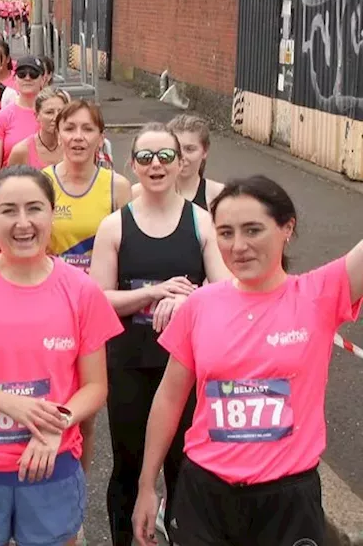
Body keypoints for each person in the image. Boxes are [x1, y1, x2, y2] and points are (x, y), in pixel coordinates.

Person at [132, 176, 363, 546]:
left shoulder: (318, 294)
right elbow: (169, 398)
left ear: (287, 228)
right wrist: (146, 485)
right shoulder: (200, 306)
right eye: (225, 233)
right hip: (205, 493)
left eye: (253, 230)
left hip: (287, 499)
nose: (238, 246)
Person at [0, 165, 123, 546]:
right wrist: (7, 403)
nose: (23, 222)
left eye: (34, 208)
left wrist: (56, 427)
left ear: (51, 213)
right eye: (8, 210)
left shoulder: (81, 291)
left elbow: (95, 387)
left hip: (52, 462)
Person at [88, 123, 231, 545]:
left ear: (181, 162)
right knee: (129, 466)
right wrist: (154, 292)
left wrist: (190, 300)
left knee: (184, 468)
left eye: (166, 156)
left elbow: (225, 289)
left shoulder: (202, 222)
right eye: (146, 157)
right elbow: (97, 300)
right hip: (129, 364)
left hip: (185, 367)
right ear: (132, 164)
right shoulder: (114, 227)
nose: (156, 165)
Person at [43, 100, 133, 271]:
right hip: (52, 285)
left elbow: (127, 249)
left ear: (100, 139)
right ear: (58, 137)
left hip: (98, 287)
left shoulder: (118, 186)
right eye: (69, 129)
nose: (78, 137)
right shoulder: (42, 182)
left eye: (87, 129)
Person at [165, 115, 225, 210]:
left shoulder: (219, 196)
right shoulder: (146, 193)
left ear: (205, 151)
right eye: (176, 149)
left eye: (189, 149)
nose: (182, 157)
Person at [6, 87, 71, 170]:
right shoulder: (21, 151)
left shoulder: (73, 147)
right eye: (49, 112)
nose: (56, 117)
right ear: (37, 116)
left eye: (61, 112)